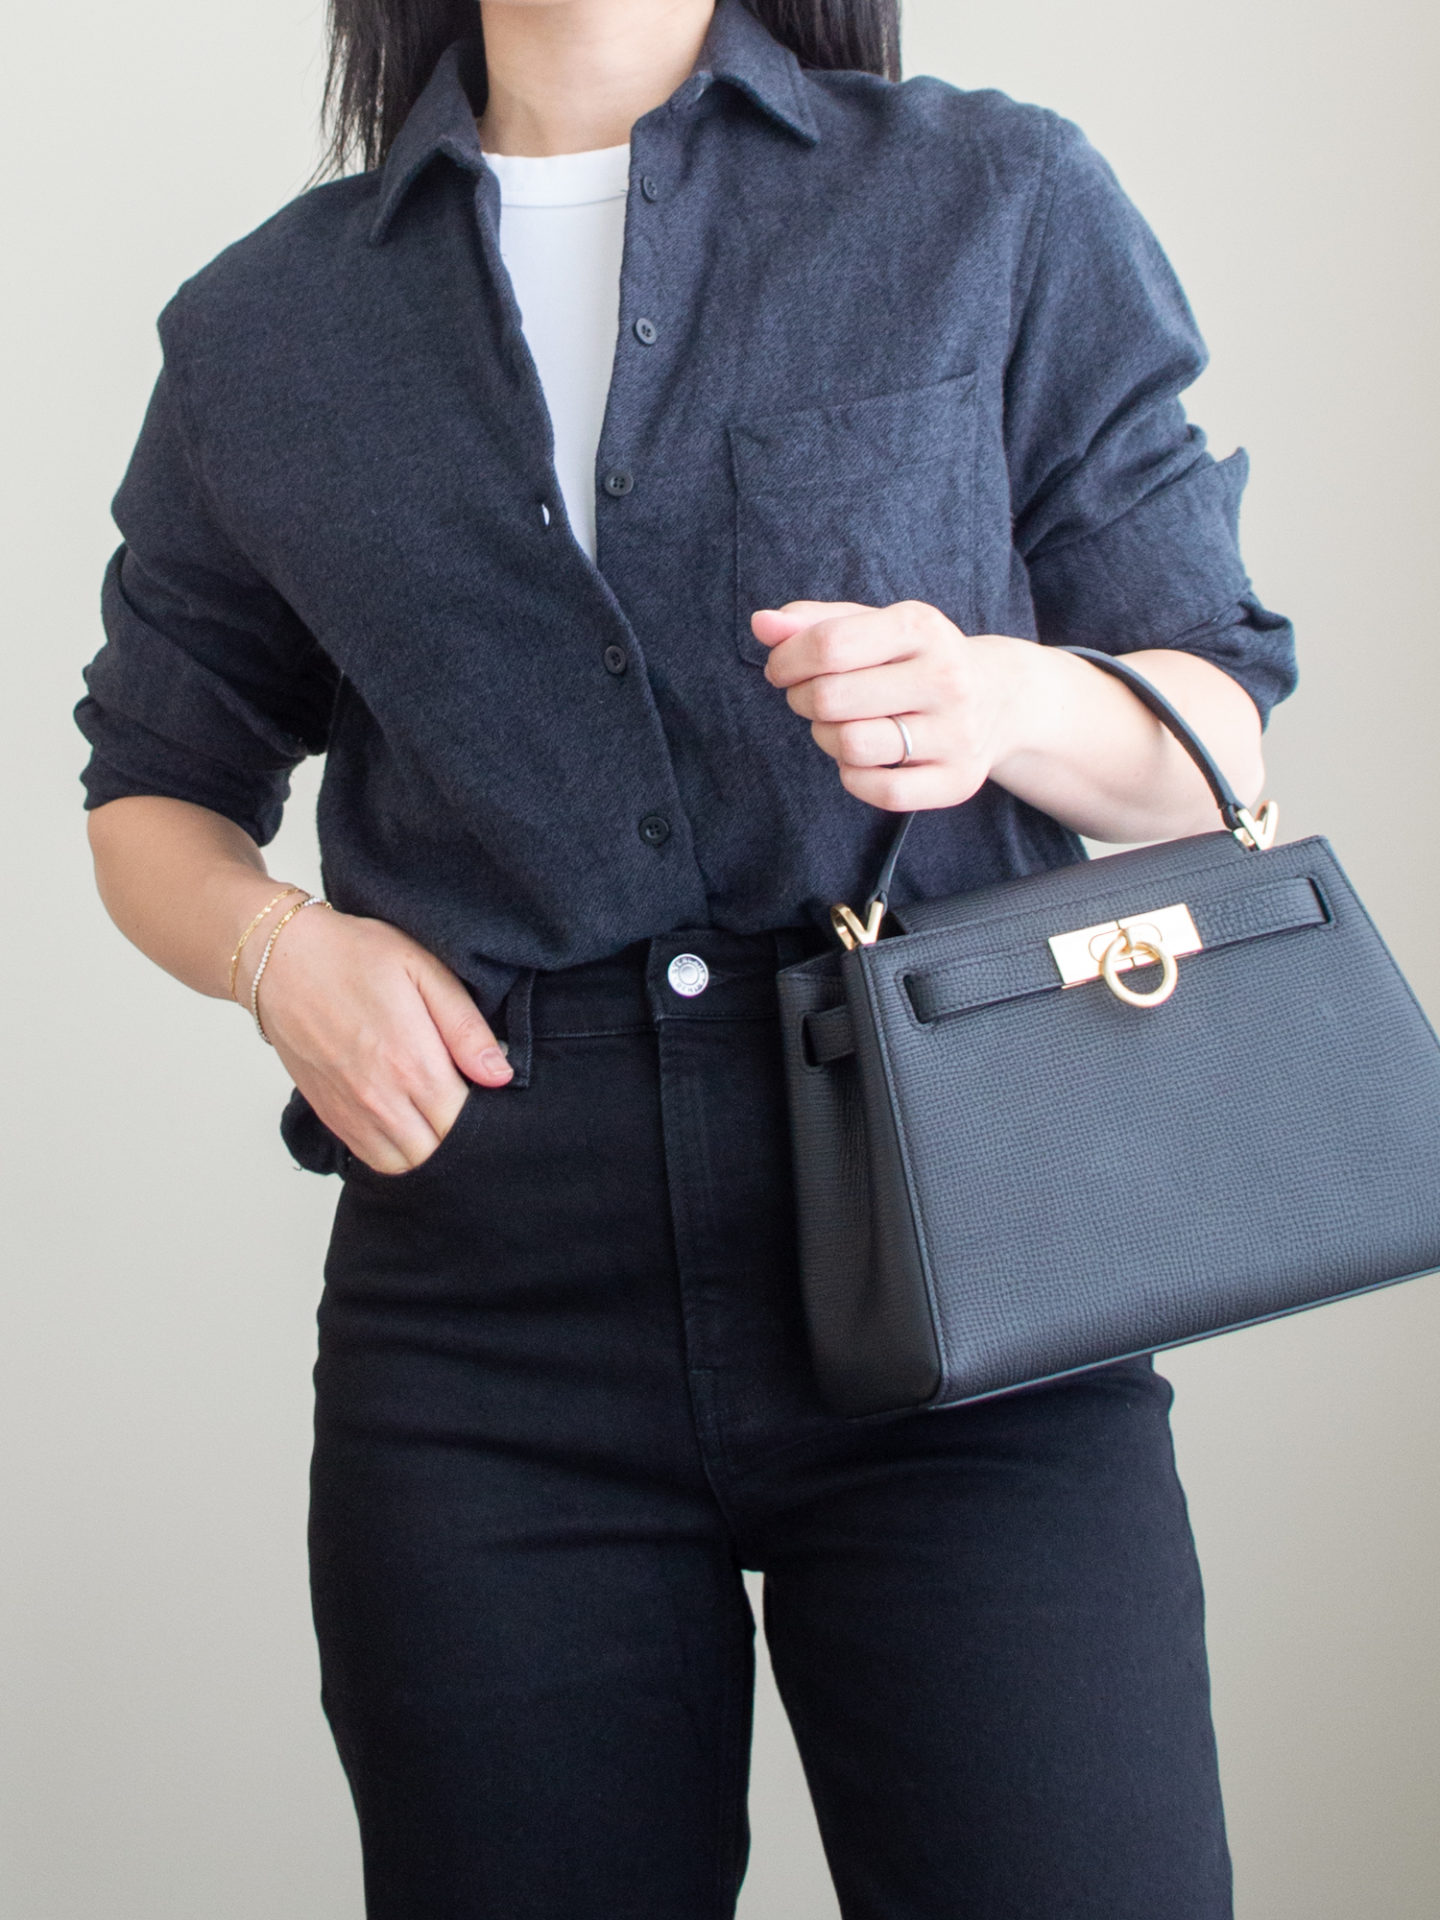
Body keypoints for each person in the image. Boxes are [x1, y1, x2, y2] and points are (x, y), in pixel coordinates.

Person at [74, 0, 1296, 1913]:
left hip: (973, 1261)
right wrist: (276, 953)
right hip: (493, 1330)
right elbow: (150, 786)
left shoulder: (993, 196)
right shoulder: (264, 329)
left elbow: (1212, 739)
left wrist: (1001, 699)